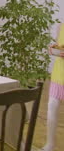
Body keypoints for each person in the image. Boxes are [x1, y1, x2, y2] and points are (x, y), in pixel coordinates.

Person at [42, 23, 64, 151]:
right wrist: (52, 49)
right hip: (59, 73)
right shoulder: (61, 27)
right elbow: (58, 46)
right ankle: (49, 145)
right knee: (52, 106)